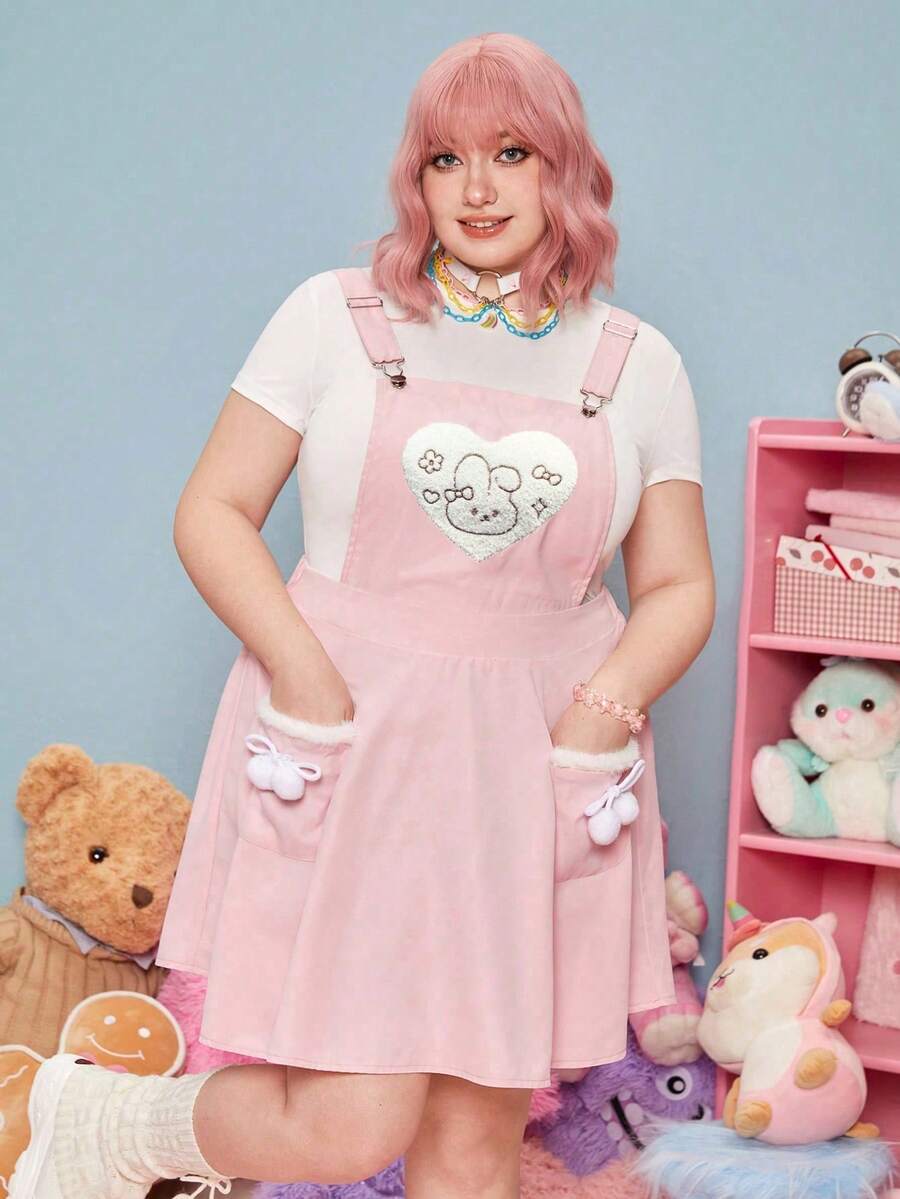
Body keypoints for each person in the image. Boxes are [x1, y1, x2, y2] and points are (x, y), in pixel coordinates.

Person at [11, 30, 715, 1199]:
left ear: (565, 170)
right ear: (414, 177)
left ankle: (102, 1124)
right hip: (354, 741)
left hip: (535, 762)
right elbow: (213, 508)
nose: (477, 188)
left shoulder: (638, 364)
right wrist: (305, 674)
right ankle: (108, 1122)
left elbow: (680, 584)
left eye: (511, 153)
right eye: (446, 158)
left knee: (477, 1139)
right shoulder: (333, 318)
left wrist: (602, 712)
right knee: (351, 1119)